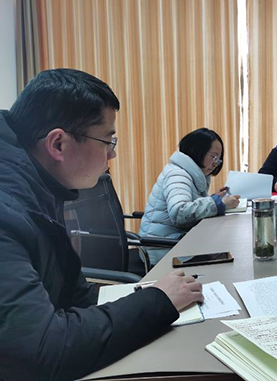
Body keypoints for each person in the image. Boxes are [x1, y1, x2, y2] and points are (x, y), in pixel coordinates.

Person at [0, 69, 204, 380]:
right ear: (58, 144)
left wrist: (152, 296)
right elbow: (42, 351)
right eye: (108, 140)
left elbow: (74, 296)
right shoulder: (8, 212)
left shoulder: (37, 188)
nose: (113, 153)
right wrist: (159, 301)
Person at [140, 128, 240, 264]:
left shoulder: (187, 173)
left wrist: (214, 198)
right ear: (197, 151)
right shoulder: (177, 175)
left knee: (225, 245)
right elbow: (179, 212)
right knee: (228, 252)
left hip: (175, 241)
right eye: (214, 157)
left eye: (218, 159)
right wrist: (218, 203)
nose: (216, 163)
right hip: (162, 248)